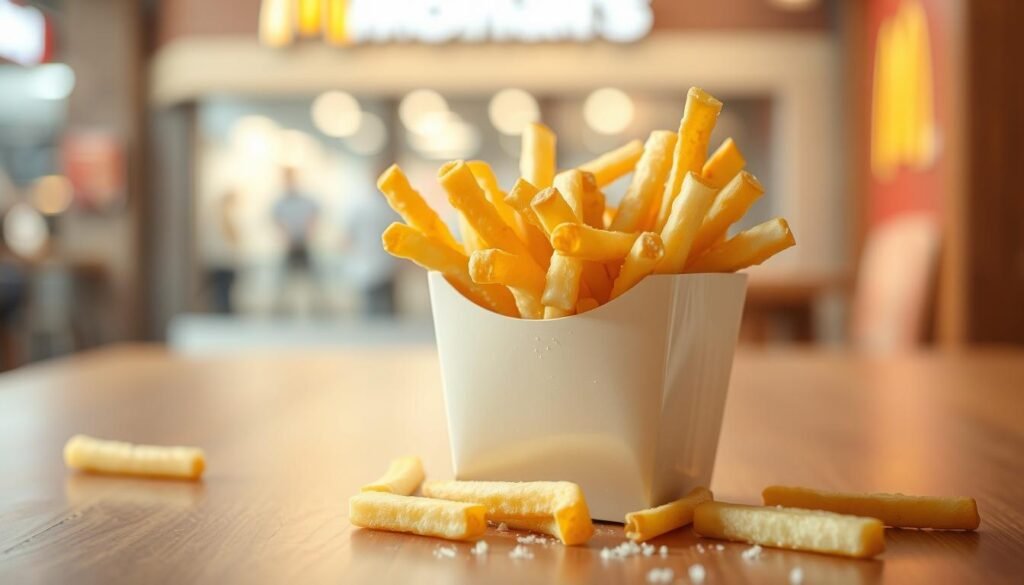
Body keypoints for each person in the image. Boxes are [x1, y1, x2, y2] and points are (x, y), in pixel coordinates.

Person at [340, 183, 399, 316]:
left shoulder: (361, 204)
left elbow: (346, 239)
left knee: (378, 315)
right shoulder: (384, 206)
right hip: (376, 266)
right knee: (382, 314)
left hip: (378, 267)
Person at [271, 167, 321, 315]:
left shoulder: (306, 200)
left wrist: (310, 230)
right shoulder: (280, 202)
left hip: (304, 244)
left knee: (314, 280)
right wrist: (283, 235)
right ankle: (280, 310)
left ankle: (318, 309)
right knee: (283, 280)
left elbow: (315, 216)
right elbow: (276, 221)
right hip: (289, 246)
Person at [203, 190, 240, 314]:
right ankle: (222, 312)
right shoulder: (221, 217)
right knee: (222, 291)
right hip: (222, 261)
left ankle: (223, 311)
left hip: (224, 261)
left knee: (223, 291)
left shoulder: (223, 216)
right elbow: (231, 238)